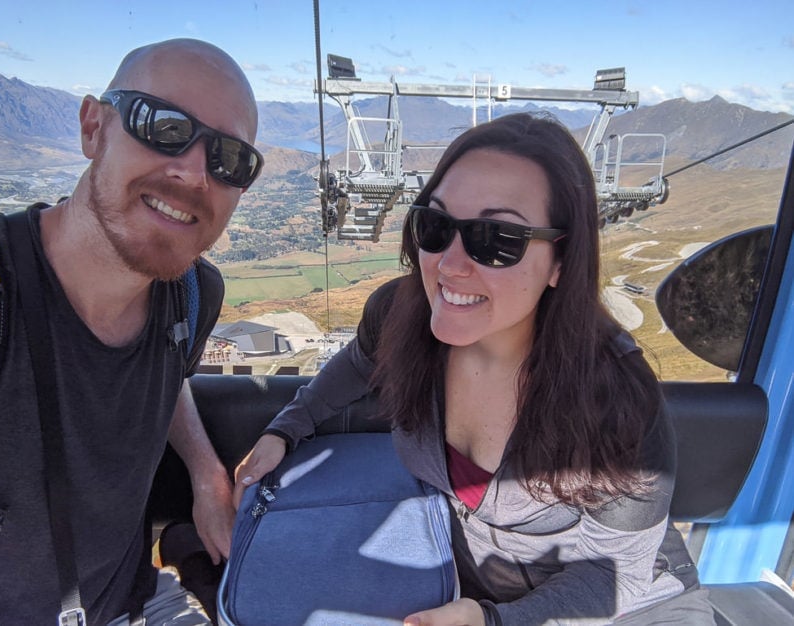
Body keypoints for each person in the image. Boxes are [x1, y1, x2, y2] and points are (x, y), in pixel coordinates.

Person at [233, 113, 715, 625]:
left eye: (497, 239)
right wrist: (287, 429)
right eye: (436, 226)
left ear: (561, 261)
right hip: (483, 596)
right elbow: (355, 365)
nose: (450, 265)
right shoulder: (402, 317)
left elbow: (614, 575)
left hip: (630, 605)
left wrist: (492, 621)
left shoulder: (616, 398)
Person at [0, 38, 263, 624]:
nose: (195, 172)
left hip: (137, 601)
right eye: (164, 126)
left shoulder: (193, 295)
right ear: (92, 126)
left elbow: (163, 372)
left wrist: (204, 472)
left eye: (230, 159)